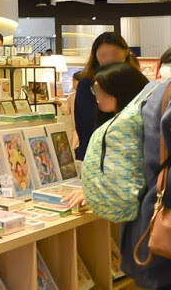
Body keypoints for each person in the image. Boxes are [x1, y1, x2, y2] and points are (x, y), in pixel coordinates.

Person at [62, 64, 168, 290]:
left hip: (150, 214)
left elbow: (131, 177)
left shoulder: (133, 119)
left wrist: (98, 192)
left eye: (100, 90)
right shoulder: (140, 113)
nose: (96, 97)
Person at [74, 32, 139, 159]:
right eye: (103, 55)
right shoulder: (88, 83)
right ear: (95, 55)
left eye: (115, 54)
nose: (109, 60)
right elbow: (85, 124)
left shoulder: (134, 80)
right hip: (97, 152)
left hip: (130, 152)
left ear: (126, 53)